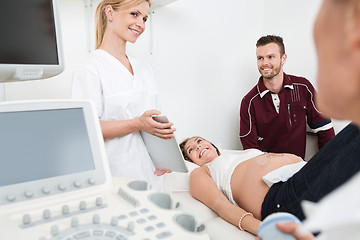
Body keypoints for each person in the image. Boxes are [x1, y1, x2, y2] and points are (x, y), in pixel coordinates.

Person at [180, 127, 360, 236]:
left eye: (199, 141)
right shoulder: (201, 173)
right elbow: (221, 206)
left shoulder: (234, 155)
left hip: (299, 176)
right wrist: (265, 229)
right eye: (191, 150)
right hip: (280, 199)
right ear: (190, 162)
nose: (199, 146)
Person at [71, 0, 175, 188]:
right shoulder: (90, 68)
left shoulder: (145, 69)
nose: (141, 24)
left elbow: (154, 122)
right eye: (134, 14)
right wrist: (137, 123)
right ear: (110, 13)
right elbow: (84, 130)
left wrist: (166, 157)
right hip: (117, 177)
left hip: (153, 175)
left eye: (145, 18)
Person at [239, 35, 335, 159]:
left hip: (296, 169)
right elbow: (250, 152)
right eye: (260, 58)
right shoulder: (249, 102)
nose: (264, 63)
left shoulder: (303, 87)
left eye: (270, 57)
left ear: (283, 58)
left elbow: (324, 129)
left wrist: (327, 165)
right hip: (265, 172)